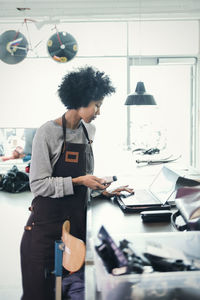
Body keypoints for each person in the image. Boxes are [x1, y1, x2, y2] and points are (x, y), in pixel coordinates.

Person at [20, 66, 133, 300]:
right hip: (45, 230)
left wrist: (103, 191)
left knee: (69, 291)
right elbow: (39, 185)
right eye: (97, 105)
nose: (99, 112)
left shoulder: (88, 130)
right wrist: (80, 180)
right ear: (79, 101)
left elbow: (82, 180)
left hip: (74, 229)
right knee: (40, 293)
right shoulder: (47, 133)